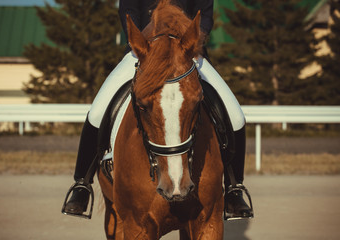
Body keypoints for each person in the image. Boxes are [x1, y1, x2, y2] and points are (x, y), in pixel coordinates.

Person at [62, 0, 253, 220]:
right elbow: (129, 11)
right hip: (144, 52)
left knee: (235, 115)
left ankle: (234, 186)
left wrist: (193, 39)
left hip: (187, 53)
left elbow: (205, 15)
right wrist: (146, 41)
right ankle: (82, 183)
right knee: (97, 112)